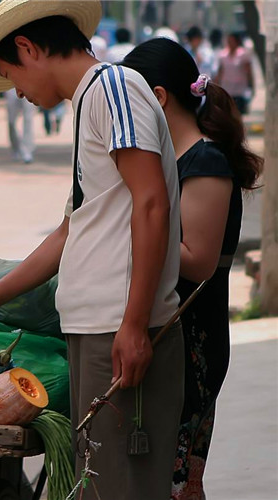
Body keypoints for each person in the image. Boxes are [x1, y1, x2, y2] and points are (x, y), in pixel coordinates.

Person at [0, 1, 184, 498]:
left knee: (122, 485)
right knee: (102, 483)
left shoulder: (112, 88)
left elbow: (151, 202)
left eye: (12, 76)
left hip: (118, 327)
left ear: (28, 48)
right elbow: (69, 232)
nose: (19, 94)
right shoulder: (90, 101)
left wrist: (134, 325)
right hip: (98, 328)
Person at [122, 38, 263, 500]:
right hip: (170, 332)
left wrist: (131, 229)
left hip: (191, 341)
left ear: (157, 97)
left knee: (177, 479)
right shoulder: (166, 163)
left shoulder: (205, 163)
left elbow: (198, 261)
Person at [216, 33, 254, 115]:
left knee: (238, 113)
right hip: (227, 89)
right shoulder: (222, 55)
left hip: (240, 90)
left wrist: (251, 85)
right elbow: (220, 71)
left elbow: (249, 71)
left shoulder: (243, 54)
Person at [5, 91, 35, 163]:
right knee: (11, 122)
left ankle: (27, 150)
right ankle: (16, 148)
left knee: (28, 119)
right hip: (11, 87)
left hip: (29, 86)